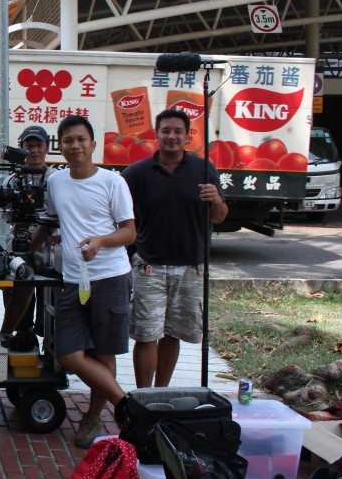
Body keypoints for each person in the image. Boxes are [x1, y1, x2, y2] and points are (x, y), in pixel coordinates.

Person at [31, 115, 136, 449]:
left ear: (93, 144)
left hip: (110, 276)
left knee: (104, 353)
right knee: (68, 353)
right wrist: (27, 250)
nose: (74, 146)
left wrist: (100, 241)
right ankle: (125, 405)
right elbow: (49, 222)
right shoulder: (56, 182)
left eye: (80, 140)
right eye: (67, 141)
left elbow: (129, 231)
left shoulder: (112, 182)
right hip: (74, 280)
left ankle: (93, 417)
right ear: (59, 147)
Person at [122, 109, 227, 388]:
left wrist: (215, 199)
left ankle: (161, 392)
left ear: (187, 136)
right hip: (149, 264)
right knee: (146, 334)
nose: (171, 136)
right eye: (166, 131)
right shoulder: (137, 173)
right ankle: (143, 397)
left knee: (173, 333)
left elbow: (219, 216)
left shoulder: (204, 170)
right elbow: (120, 216)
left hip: (191, 265)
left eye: (178, 131)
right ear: (156, 135)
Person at [0, 125, 55, 337]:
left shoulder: (57, 179)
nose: (33, 150)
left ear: (47, 148)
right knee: (21, 322)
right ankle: (18, 340)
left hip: (49, 256)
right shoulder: (11, 181)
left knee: (49, 322)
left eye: (38, 145)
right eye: (28, 145)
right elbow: (7, 218)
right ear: (21, 149)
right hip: (18, 254)